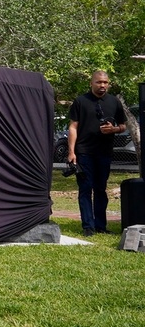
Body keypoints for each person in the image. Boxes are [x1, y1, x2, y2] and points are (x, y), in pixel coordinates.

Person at [67, 70, 127, 236]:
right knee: (85, 189)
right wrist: (71, 152)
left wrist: (114, 129)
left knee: (101, 189)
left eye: (105, 83)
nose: (102, 86)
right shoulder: (81, 101)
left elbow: (123, 126)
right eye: (99, 82)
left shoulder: (114, 102)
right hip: (84, 152)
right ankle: (88, 226)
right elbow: (73, 127)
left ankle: (101, 225)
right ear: (91, 83)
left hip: (104, 152)